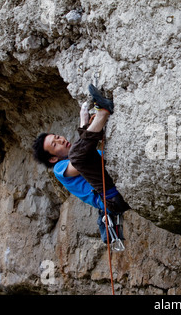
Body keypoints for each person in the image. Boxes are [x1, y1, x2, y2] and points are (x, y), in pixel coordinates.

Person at [32, 84, 131, 245]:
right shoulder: (59, 169)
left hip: (117, 188)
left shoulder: (85, 155)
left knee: (84, 153)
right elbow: (77, 163)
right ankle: (103, 112)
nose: (61, 140)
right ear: (52, 159)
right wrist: (83, 124)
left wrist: (86, 127)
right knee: (78, 156)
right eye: (55, 144)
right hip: (112, 199)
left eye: (57, 137)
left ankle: (101, 114)